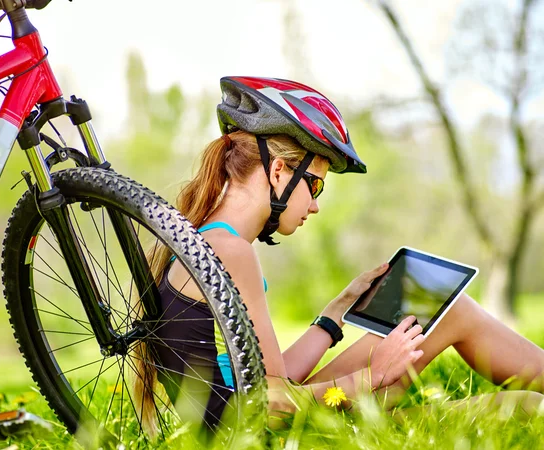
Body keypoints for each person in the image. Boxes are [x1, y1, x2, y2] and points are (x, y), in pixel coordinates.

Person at [134, 76, 544, 432]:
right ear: (278, 171)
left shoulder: (203, 241)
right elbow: (272, 407)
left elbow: (273, 380)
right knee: (526, 408)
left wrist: (336, 312)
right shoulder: (233, 252)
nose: (314, 205)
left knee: (448, 310)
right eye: (314, 185)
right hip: (274, 436)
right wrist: (374, 373)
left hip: (260, 426)